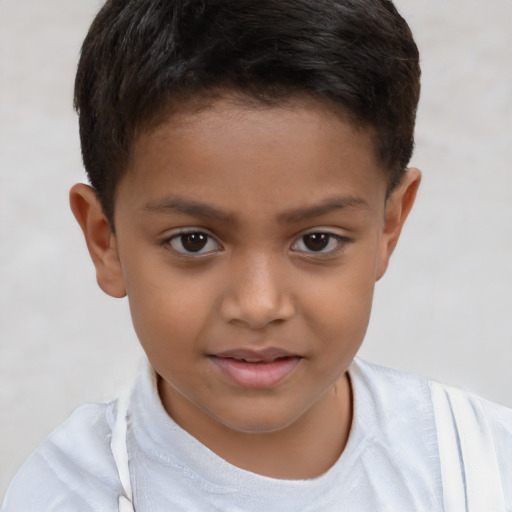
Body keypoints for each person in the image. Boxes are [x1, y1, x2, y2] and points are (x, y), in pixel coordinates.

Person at [2, 0, 511, 510]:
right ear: (104, 239)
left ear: (389, 225)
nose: (259, 304)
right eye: (193, 241)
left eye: (317, 240)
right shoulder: (66, 496)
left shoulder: (481, 466)